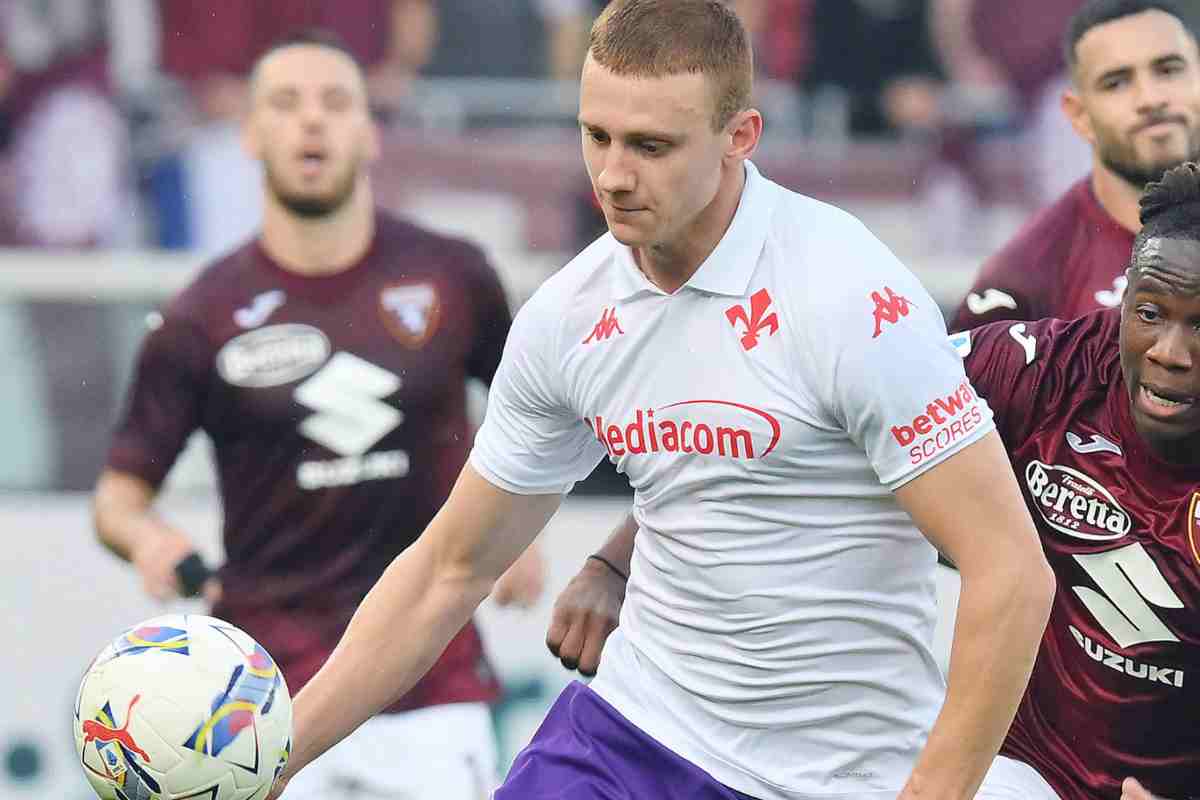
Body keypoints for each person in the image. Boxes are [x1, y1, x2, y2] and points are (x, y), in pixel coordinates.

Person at [266, 3, 1055, 799]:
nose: (612, 175)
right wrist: (272, 762)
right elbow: (450, 569)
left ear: (740, 136)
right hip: (635, 733)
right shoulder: (568, 317)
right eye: (596, 135)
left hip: (841, 772)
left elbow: (1012, 571)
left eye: (651, 146)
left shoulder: (852, 297)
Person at [549, 161, 1200, 800]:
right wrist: (615, 562)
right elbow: (817, 429)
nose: (1169, 351)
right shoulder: (1048, 369)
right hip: (1025, 770)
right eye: (1149, 313)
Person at [91, 29, 543, 800]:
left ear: (369, 132)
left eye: (335, 102)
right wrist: (147, 538)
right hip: (262, 702)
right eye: (286, 103)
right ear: (251, 134)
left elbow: (537, 415)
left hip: (431, 686)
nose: (311, 121)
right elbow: (118, 496)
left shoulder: (454, 275)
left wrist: (518, 526)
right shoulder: (201, 314)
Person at [950, 0, 1200, 332]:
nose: (1150, 98)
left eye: (1168, 70)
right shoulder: (1023, 281)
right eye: (1117, 83)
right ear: (1079, 116)